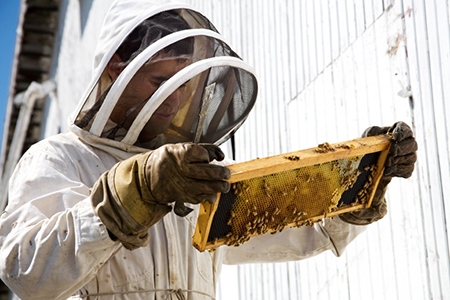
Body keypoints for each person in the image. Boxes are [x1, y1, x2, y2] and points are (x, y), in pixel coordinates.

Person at [0, 0, 417, 299]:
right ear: (116, 69)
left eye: (184, 85)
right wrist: (132, 195)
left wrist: (359, 183)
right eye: (160, 79)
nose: (173, 99)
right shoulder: (60, 159)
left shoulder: (189, 177)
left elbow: (294, 230)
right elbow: (27, 273)